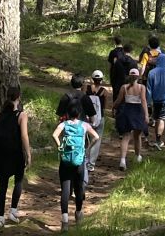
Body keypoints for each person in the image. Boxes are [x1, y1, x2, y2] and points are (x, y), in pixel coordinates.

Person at [53, 102, 99, 231]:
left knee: (65, 190)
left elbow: (54, 135)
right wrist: (87, 148)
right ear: (79, 114)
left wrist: (60, 147)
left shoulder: (63, 124)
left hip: (65, 160)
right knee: (79, 188)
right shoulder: (84, 125)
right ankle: (78, 213)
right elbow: (96, 137)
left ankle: (65, 221)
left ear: (67, 114)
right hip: (79, 161)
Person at [0, 85, 31, 227]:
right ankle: (13, 210)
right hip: (16, 154)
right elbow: (24, 136)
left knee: (2, 186)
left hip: (1, 154)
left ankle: (0, 218)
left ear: (7, 97)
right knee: (18, 181)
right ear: (19, 98)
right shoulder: (21, 115)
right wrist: (28, 153)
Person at [112, 68, 149, 171]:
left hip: (127, 111)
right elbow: (143, 101)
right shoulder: (142, 87)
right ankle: (137, 156)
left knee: (126, 136)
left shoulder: (124, 87)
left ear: (129, 76)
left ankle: (122, 160)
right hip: (138, 112)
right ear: (138, 77)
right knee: (137, 135)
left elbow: (118, 100)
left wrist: (114, 107)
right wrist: (146, 115)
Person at [85, 70, 108, 172]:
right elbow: (105, 107)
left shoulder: (86, 88)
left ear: (92, 79)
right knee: (97, 140)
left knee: (85, 138)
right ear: (101, 80)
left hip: (87, 118)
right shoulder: (104, 91)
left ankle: (84, 158)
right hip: (100, 118)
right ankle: (91, 163)